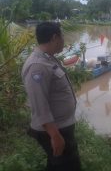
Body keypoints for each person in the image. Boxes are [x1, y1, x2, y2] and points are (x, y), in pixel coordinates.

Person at [21, 22, 81, 171]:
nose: (64, 40)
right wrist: (54, 135)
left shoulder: (48, 58)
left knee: (57, 164)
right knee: (68, 165)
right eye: (62, 36)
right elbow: (39, 104)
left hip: (60, 125)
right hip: (54, 129)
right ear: (55, 37)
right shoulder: (38, 66)